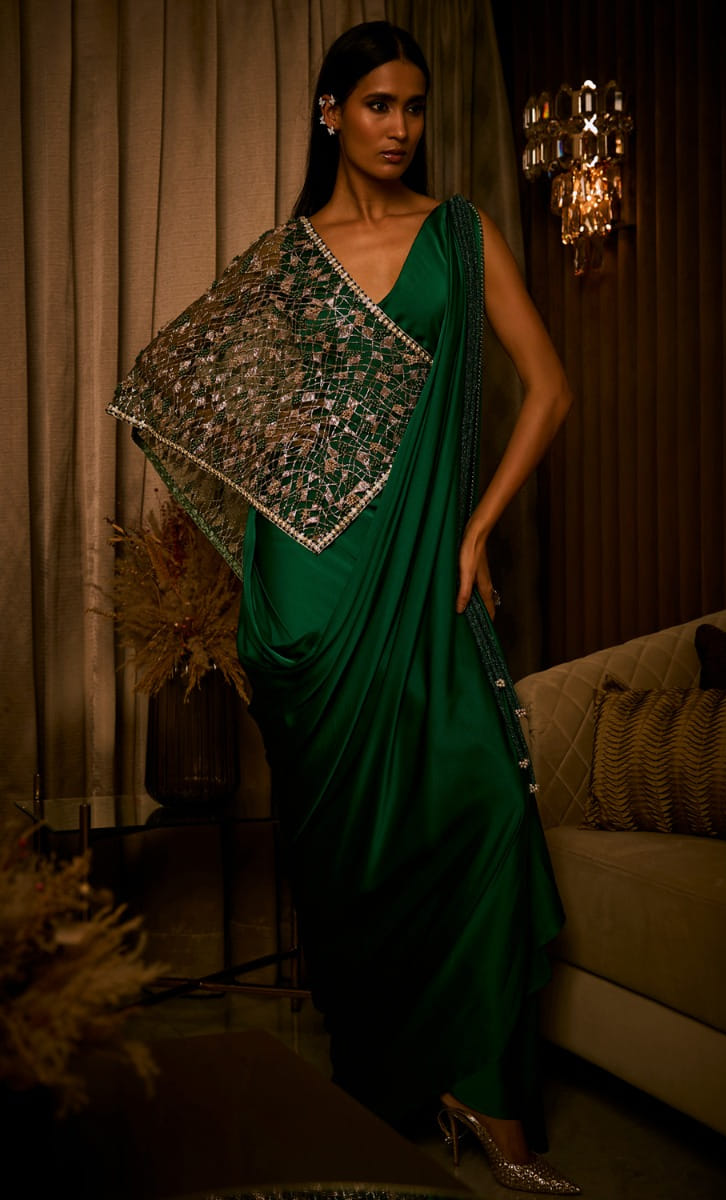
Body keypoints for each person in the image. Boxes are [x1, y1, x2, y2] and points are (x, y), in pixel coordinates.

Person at [109, 20, 576, 1195]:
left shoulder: (459, 233)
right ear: (330, 113)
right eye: (377, 105)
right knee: (352, 853)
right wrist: (280, 534)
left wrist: (473, 528)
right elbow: (224, 408)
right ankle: (396, 1082)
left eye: (413, 106)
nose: (399, 127)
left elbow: (549, 390)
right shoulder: (288, 259)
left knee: (481, 806)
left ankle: (486, 1093)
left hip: (422, 573)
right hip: (307, 594)